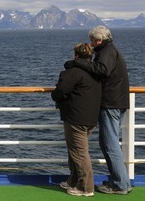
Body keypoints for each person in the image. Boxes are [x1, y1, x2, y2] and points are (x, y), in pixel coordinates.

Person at [64, 25, 132, 194]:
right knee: (108, 143)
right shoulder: (109, 50)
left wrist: (77, 63)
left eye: (92, 40)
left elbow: (102, 70)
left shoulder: (107, 51)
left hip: (111, 103)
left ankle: (120, 184)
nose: (91, 43)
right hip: (116, 102)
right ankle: (121, 181)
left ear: (99, 40)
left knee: (110, 144)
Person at [52, 43, 101, 197]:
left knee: (79, 153)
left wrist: (57, 95)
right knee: (75, 151)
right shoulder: (96, 73)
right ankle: (73, 180)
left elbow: (59, 93)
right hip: (91, 118)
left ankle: (86, 187)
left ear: (76, 55)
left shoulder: (72, 73)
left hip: (76, 118)